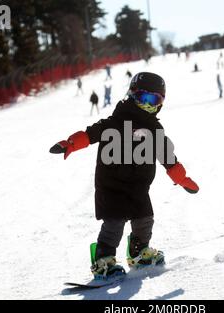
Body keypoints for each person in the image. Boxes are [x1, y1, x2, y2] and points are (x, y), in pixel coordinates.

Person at [49, 72, 199, 280]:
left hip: (138, 188)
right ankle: (103, 259)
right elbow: (91, 134)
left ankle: (139, 252)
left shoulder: (155, 130)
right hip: (112, 186)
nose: (149, 105)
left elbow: (168, 158)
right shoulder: (115, 122)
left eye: (155, 100)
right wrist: (70, 144)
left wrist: (182, 179)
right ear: (133, 95)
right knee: (114, 223)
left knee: (145, 220)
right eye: (145, 98)